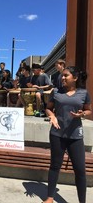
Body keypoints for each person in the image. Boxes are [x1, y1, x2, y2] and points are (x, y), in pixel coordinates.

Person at [44, 66, 91, 203]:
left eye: (66, 75)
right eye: (62, 75)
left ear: (75, 78)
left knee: (80, 170)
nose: (62, 77)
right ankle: (50, 197)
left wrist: (82, 114)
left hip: (75, 136)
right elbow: (48, 108)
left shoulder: (83, 93)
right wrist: (52, 116)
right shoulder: (56, 91)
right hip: (57, 134)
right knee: (54, 166)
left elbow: (88, 110)